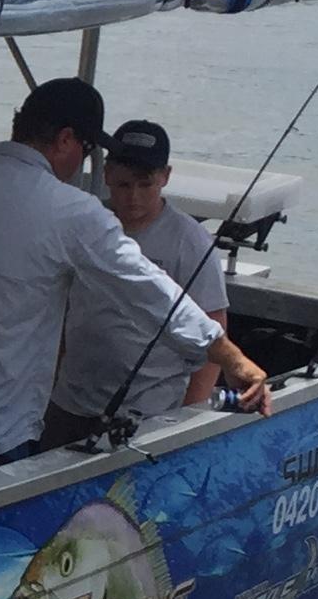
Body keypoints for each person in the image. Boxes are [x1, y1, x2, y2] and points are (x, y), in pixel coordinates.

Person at [0, 78, 272, 475]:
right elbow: (148, 291)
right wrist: (232, 359)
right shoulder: (72, 211)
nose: (85, 162)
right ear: (66, 139)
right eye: (88, 149)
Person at [47, 119, 228, 444]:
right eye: (123, 185)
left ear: (165, 177)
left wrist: (188, 421)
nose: (133, 197)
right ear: (107, 177)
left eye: (145, 185)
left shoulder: (191, 243)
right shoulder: (85, 226)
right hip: (69, 403)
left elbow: (214, 330)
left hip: (150, 414)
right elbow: (60, 309)